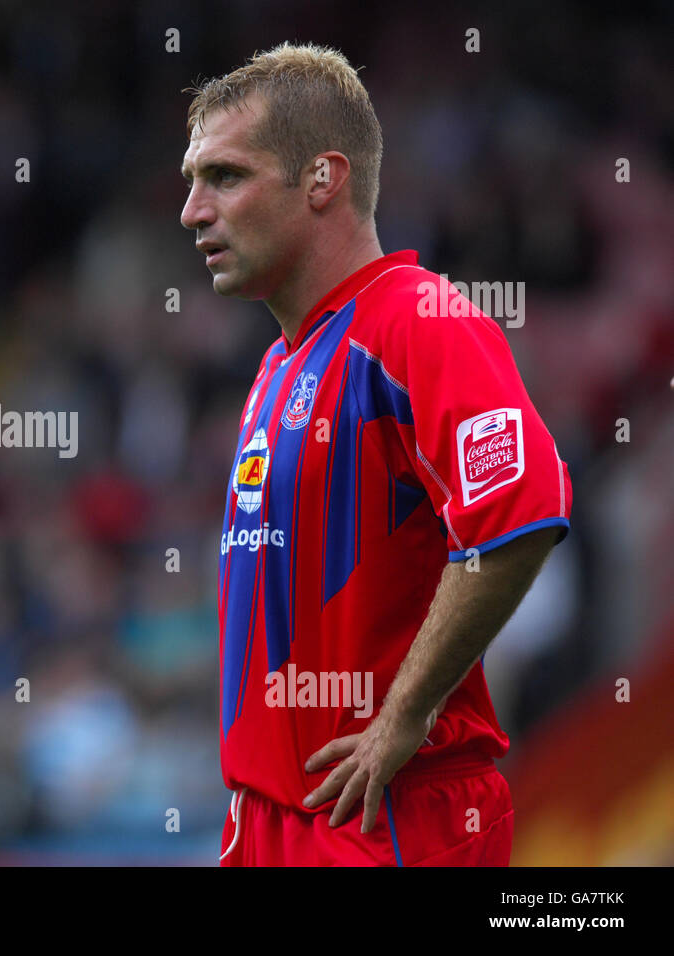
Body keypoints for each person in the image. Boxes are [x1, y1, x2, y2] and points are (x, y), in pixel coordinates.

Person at [179, 42, 572, 865]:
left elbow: (523, 512)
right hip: (271, 821)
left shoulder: (417, 322)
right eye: (193, 180)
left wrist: (402, 715)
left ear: (323, 179)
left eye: (224, 176)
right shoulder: (283, 361)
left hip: (387, 819)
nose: (192, 210)